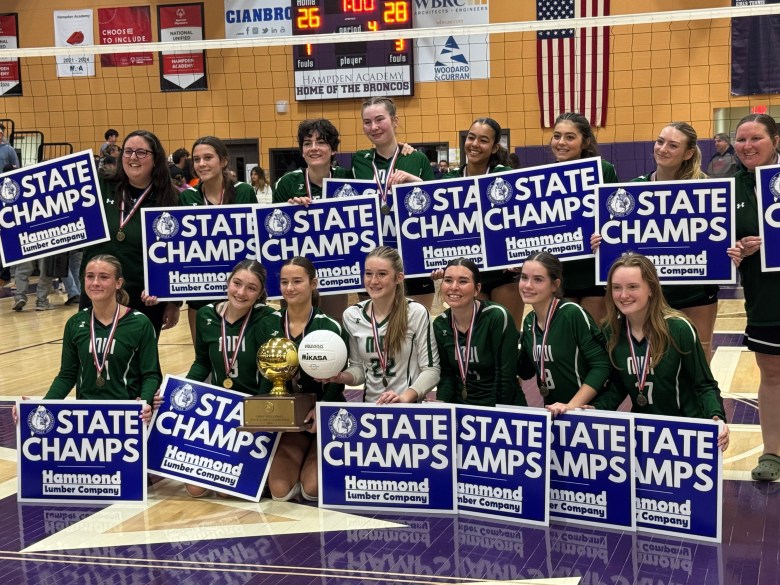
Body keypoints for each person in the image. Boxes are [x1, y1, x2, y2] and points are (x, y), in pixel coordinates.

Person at [592, 253, 729, 451]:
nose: (623, 295)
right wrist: (594, 409)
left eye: (633, 287)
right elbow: (617, 387)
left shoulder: (679, 328)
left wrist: (716, 417)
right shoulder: (611, 332)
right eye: (616, 288)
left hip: (687, 431)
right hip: (644, 433)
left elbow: (704, 385)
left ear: (651, 289)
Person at [176, 259, 274, 497]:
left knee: (227, 491)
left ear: (260, 293)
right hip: (218, 412)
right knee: (196, 489)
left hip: (254, 410)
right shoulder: (207, 315)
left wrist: (260, 415)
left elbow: (272, 376)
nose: (241, 292)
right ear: (228, 283)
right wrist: (181, 392)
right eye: (237, 283)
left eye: (251, 288)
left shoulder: (268, 318)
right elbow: (202, 362)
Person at [258, 257, 347, 502]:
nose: (290, 288)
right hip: (290, 421)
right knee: (279, 490)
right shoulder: (267, 323)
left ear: (313, 283)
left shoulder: (328, 325)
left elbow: (338, 380)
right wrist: (268, 412)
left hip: (323, 415)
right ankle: (297, 455)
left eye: (297, 281)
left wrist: (322, 409)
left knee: (312, 489)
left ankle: (315, 455)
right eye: (285, 282)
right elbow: (265, 375)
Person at [80, 130, 181, 336]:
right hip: (96, 292)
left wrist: (173, 301)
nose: (133, 157)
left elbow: (178, 254)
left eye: (141, 152)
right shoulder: (100, 186)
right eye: (128, 152)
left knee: (139, 363)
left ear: (156, 159)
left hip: (144, 298)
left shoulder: (170, 199)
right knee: (93, 358)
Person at [633, 123, 719, 363]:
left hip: (697, 292)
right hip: (652, 293)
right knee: (656, 363)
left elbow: (720, 239)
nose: (663, 149)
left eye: (673, 145)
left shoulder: (707, 188)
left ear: (688, 153)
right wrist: (603, 242)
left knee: (698, 362)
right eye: (660, 141)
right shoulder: (634, 188)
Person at [727, 113, 780, 479]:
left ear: (775, 140)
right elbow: (714, 243)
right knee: (772, 374)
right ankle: (772, 453)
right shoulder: (730, 186)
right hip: (765, 296)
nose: (747, 146)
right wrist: (737, 249)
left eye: (756, 138)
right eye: (741, 139)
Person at [436, 118, 525, 328]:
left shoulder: (506, 176)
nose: (475, 144)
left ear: (494, 148)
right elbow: (439, 230)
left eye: (483, 140)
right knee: (478, 337)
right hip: (469, 272)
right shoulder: (448, 181)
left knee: (508, 334)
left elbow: (522, 222)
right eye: (471, 137)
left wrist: (521, 255)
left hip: (505, 272)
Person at [44, 255, 158, 416]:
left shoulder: (139, 323)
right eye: (90, 276)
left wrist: (146, 403)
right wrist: (40, 407)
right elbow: (67, 375)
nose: (95, 282)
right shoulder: (75, 323)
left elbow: (150, 374)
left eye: (104, 277)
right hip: (86, 417)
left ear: (118, 283)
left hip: (128, 417)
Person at [323, 246, 440, 403]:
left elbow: (431, 369)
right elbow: (359, 369)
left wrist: (404, 398)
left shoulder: (415, 312)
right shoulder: (352, 316)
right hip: (371, 410)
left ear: (399, 278)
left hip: (410, 408)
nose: (373, 281)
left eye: (382, 274)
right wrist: (340, 377)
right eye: (369, 274)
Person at [352, 98, 436, 309]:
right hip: (373, 258)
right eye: (367, 122)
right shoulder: (358, 161)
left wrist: (415, 181)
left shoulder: (416, 159)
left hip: (413, 256)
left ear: (395, 121)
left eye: (380, 119)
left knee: (415, 328)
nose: (374, 127)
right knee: (377, 327)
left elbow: (435, 204)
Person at [177, 136, 257, 343]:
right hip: (201, 288)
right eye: (196, 159)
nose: (201, 164)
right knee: (203, 357)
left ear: (222, 161)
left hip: (241, 289)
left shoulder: (243, 192)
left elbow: (258, 239)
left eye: (208, 157)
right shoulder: (187, 197)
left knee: (242, 353)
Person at [273, 119, 354, 320]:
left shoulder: (348, 179)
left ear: (333, 149)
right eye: (308, 143)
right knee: (294, 331)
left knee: (334, 331)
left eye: (321, 142)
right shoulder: (287, 183)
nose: (314, 148)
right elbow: (274, 234)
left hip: (337, 271)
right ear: (302, 151)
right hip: (297, 274)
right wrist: (289, 213)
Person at [516, 252, 610, 415]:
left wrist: (572, 405)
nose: (528, 285)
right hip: (555, 411)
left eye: (538, 279)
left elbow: (602, 366)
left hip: (586, 411)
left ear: (554, 285)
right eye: (524, 278)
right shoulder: (529, 321)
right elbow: (525, 371)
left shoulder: (571, 314)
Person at [549, 112, 618, 324]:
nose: (561, 142)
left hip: (593, 270)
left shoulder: (602, 170)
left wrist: (605, 235)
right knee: (566, 343)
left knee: (596, 340)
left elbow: (615, 220)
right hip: (560, 272)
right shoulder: (543, 177)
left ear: (585, 141)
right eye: (556, 135)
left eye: (570, 137)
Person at [433, 258, 524, 407]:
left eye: (463, 281)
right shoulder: (440, 324)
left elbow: (505, 377)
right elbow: (447, 375)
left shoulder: (497, 317)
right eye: (448, 280)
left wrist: (489, 415)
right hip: (461, 407)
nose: (454, 287)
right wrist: (442, 404)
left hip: (501, 406)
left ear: (477, 288)